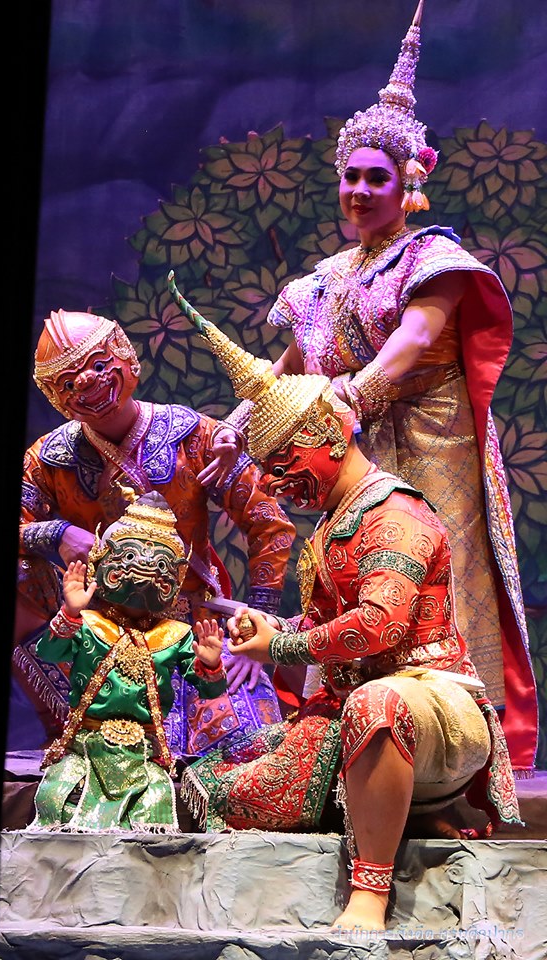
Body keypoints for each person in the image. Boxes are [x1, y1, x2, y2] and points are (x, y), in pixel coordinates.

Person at [218, 0, 537, 775]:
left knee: (433, 584)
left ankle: (467, 757)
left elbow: (415, 341)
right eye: (351, 177)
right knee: (350, 581)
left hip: (432, 448)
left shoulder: (433, 259)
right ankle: (345, 740)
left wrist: (350, 397)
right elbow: (290, 366)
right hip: (351, 457)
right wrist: (233, 423)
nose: (360, 190)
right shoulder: (323, 280)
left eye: (376, 178)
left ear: (407, 184)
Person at [166, 273, 522, 932]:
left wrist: (280, 644)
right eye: (267, 469)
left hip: (430, 703)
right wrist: (268, 626)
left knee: (373, 704)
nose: (276, 483)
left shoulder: (393, 514)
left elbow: (379, 626)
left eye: (282, 462)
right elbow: (325, 626)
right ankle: (395, 817)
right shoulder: (334, 523)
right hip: (351, 706)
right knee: (217, 774)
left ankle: (371, 891)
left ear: (329, 435)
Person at [14, 307, 295, 759]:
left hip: (192, 626)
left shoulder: (194, 436)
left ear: (126, 356)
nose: (86, 382)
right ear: (53, 396)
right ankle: (63, 722)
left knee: (247, 751)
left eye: (98, 365)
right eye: (67, 382)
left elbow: (268, 521)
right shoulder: (49, 458)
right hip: (95, 630)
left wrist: (257, 630)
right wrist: (57, 533)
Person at [31, 489, 226, 832]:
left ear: (175, 580)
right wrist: (70, 612)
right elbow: (47, 653)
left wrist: (210, 664)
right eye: (131, 560)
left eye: (160, 567)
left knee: (154, 805)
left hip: (144, 753)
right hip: (85, 748)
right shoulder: (88, 624)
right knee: (57, 798)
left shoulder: (175, 635)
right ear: (104, 566)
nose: (145, 571)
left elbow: (210, 691)